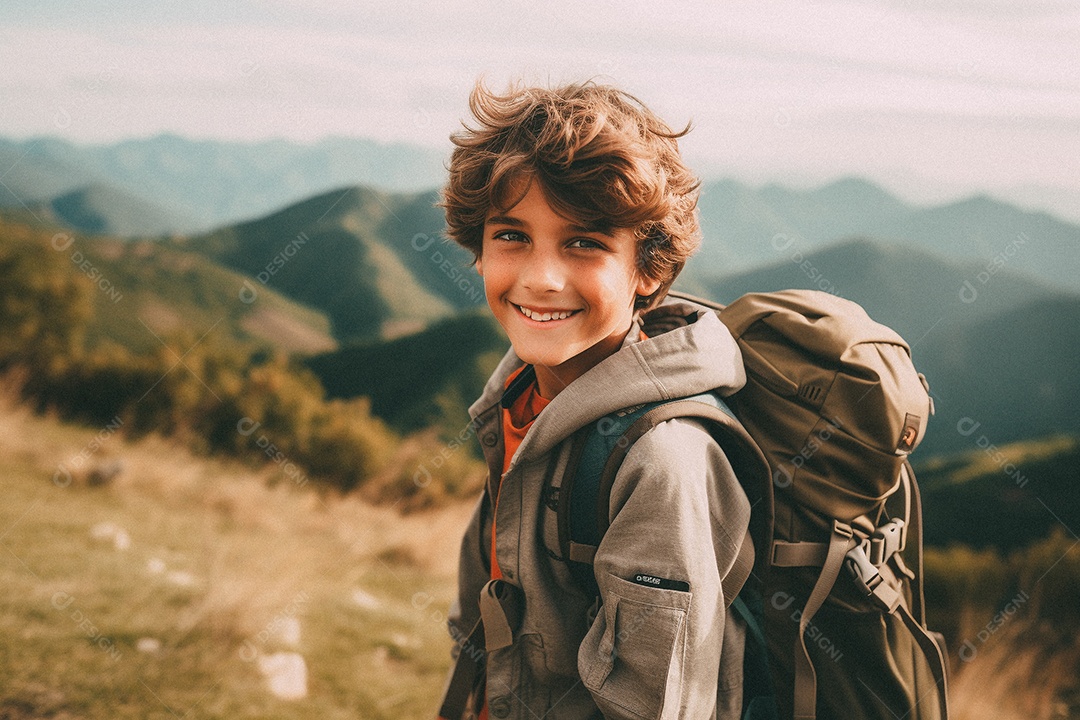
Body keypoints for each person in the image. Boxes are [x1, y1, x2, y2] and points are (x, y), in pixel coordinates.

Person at [437, 80, 753, 720]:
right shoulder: (519, 402)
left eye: (585, 243)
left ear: (649, 271)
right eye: (512, 236)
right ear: (478, 250)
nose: (541, 278)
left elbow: (654, 703)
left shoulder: (661, 463)